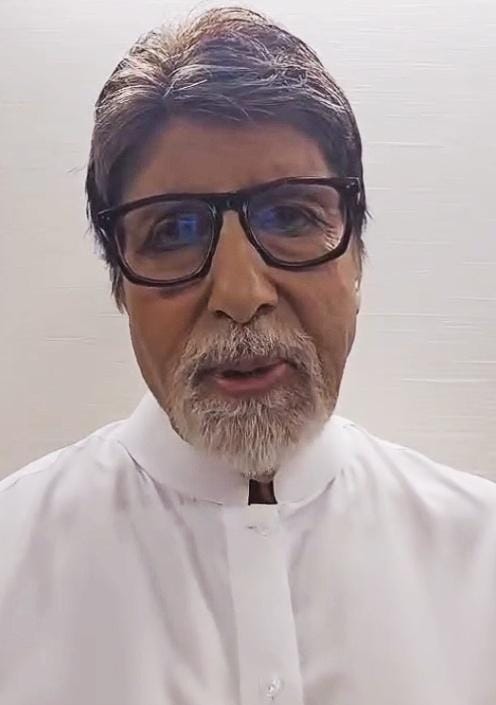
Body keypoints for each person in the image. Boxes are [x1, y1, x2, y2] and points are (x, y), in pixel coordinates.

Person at [1, 6, 495, 704]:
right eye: (174, 229)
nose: (240, 293)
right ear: (120, 285)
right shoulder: (13, 558)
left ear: (357, 255)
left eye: (291, 216)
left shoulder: (480, 556)